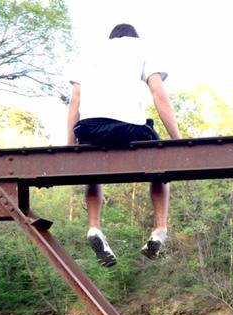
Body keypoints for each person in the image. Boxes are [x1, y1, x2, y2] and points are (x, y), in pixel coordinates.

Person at [67, 23, 181, 267]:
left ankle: (94, 227)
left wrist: (69, 148)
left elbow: (74, 103)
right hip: (128, 127)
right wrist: (178, 141)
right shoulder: (143, 48)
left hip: (90, 128)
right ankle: (160, 228)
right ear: (134, 37)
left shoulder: (89, 53)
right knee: (160, 166)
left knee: (92, 169)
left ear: (112, 38)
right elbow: (159, 94)